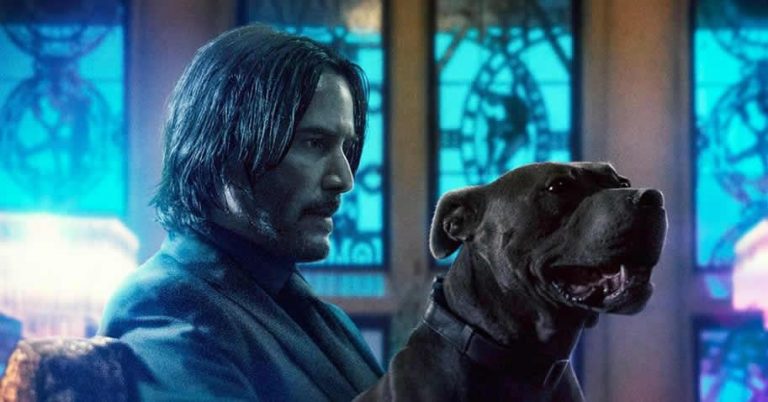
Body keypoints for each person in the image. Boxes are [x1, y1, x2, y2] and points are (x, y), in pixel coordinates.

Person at [99, 24, 383, 401]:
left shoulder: (327, 320)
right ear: (224, 148)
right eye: (314, 143)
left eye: (346, 148)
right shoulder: (164, 306)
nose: (344, 179)